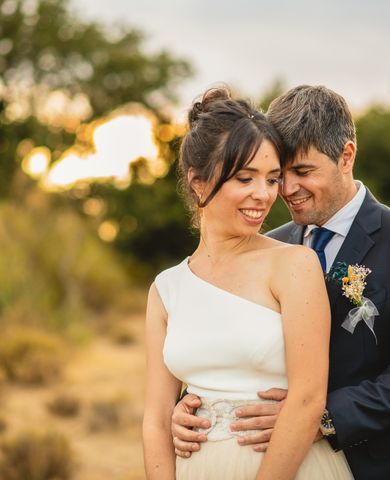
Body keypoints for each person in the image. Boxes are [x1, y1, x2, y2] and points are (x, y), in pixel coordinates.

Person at [171, 85, 390, 480]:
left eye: (303, 172)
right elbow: (238, 347)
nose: (287, 189)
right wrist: (193, 407)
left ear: (346, 156)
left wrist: (320, 416)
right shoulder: (268, 246)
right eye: (279, 174)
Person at [142, 87, 353, 479]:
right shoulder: (166, 289)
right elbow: (156, 418)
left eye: (272, 179)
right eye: (245, 177)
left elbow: (308, 400)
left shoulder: (294, 265)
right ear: (198, 182)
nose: (265, 195)